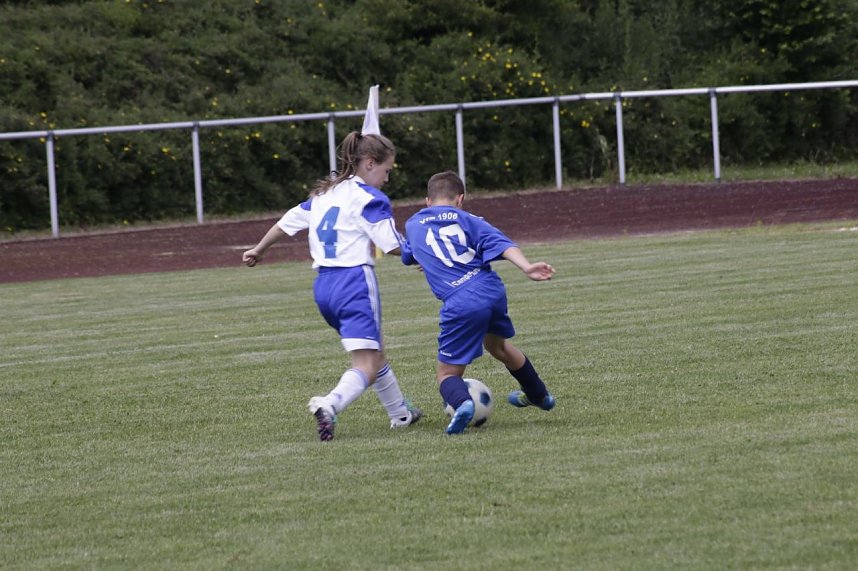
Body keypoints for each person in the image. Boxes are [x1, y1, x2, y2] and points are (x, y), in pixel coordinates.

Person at [242, 131, 421, 441]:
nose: (387, 179)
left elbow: (288, 220)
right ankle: (330, 404)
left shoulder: (325, 195)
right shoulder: (371, 199)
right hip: (354, 283)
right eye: (387, 171)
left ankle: (400, 414)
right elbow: (391, 244)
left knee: (375, 349)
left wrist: (259, 249)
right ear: (369, 163)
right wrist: (419, 254)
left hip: (324, 287)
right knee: (365, 362)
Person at [401, 170, 556, 434]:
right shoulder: (470, 219)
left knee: (447, 374)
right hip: (490, 290)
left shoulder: (413, 224)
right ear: (460, 199)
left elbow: (410, 254)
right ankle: (539, 395)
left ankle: (463, 404)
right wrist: (526, 267)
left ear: (428, 201)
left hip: (460, 301)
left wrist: (428, 260)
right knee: (499, 347)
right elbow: (501, 244)